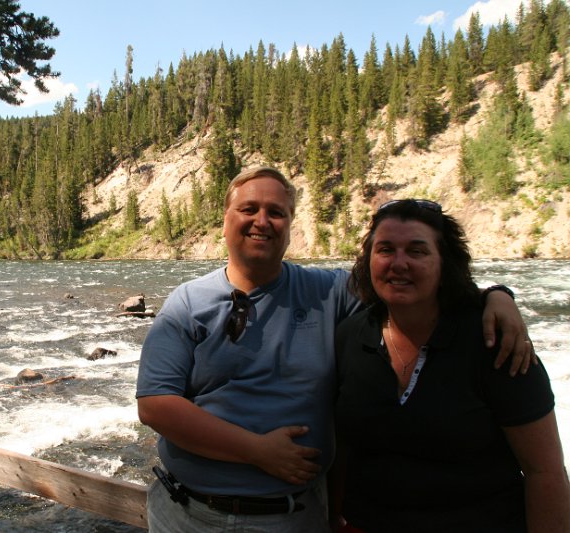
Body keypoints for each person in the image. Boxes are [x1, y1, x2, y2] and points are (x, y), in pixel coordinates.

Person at [136, 167, 534, 533]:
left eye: (276, 212)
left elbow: (406, 283)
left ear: (291, 226)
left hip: (295, 517)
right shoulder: (187, 303)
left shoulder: (329, 292)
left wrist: (496, 296)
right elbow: (155, 404)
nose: (262, 221)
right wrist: (257, 451)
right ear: (225, 221)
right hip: (187, 515)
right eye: (249, 209)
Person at [332, 199, 569, 532]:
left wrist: (498, 294)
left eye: (417, 251)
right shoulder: (350, 338)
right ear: (368, 260)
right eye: (385, 249)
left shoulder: (493, 341)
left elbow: (545, 472)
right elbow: (344, 450)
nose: (398, 263)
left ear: (445, 263)